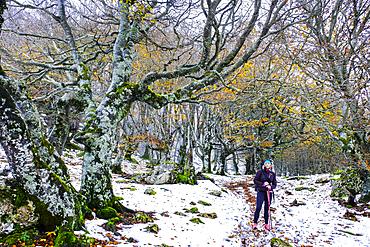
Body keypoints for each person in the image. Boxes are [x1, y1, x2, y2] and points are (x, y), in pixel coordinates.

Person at [253, 159, 277, 230]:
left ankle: (266, 224)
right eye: (266, 163)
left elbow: (275, 184)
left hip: (269, 192)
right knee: (258, 207)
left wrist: (271, 187)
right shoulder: (260, 172)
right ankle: (255, 223)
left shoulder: (272, 174)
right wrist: (262, 184)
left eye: (268, 164)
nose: (267, 165)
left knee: (267, 208)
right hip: (261, 191)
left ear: (270, 165)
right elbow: (255, 180)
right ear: (264, 165)